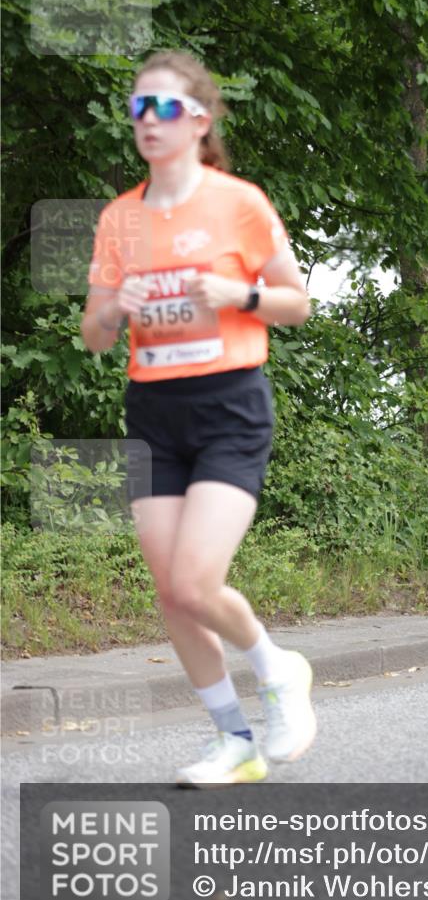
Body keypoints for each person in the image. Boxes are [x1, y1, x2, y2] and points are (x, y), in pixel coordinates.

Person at [81, 49, 316, 787]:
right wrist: (116, 308)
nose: (146, 122)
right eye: (136, 108)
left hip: (229, 405)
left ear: (198, 121)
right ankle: (235, 742)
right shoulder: (119, 217)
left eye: (163, 109)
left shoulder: (238, 201)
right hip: (152, 410)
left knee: (193, 582)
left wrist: (232, 294)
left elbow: (297, 303)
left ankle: (278, 669)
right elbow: (92, 332)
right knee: (168, 591)